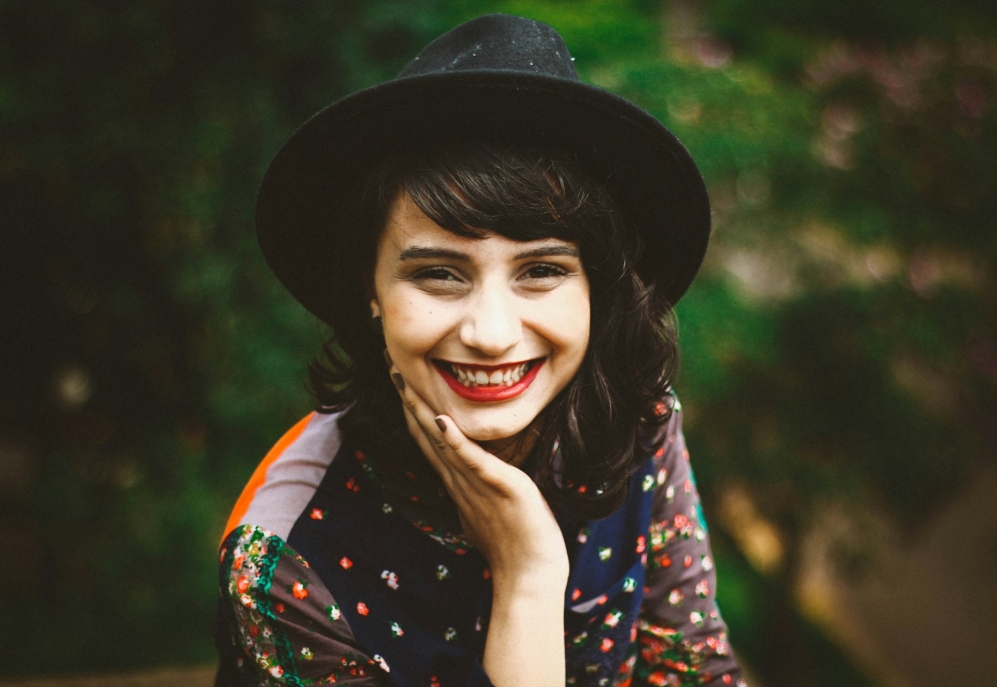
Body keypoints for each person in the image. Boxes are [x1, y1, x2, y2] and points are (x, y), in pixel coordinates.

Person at [214, 14, 744, 687]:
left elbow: (697, 667)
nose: (491, 333)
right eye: (438, 274)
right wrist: (528, 581)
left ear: (597, 291)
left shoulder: (640, 420)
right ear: (369, 290)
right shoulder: (289, 561)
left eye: (542, 270)